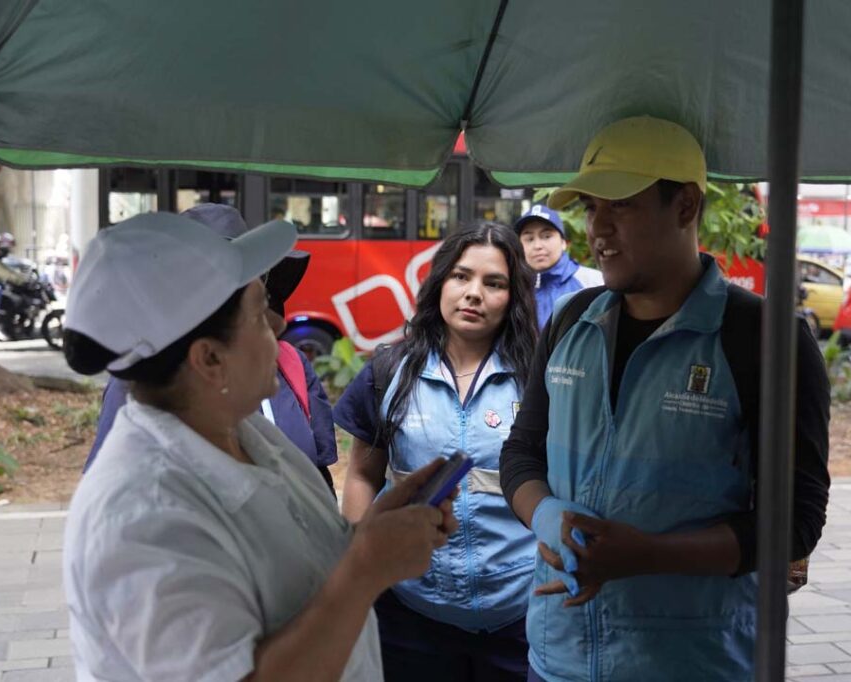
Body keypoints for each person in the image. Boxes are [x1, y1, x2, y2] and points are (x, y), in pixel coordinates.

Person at [499, 116, 831, 681]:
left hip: (692, 664)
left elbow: (792, 523)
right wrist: (547, 514)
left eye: (619, 205)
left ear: (684, 206)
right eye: (589, 207)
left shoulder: (765, 338)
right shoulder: (572, 321)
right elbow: (522, 452)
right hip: (558, 660)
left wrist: (647, 556)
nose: (597, 230)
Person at [61, 211, 458, 681]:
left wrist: (373, 534)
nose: (277, 320)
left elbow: (300, 567)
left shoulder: (244, 430)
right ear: (210, 358)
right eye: (258, 309)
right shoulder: (142, 517)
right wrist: (366, 570)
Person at [334, 222, 539, 681]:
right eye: (461, 276)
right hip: (411, 616)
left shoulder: (539, 377)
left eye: (494, 283)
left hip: (520, 616)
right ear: (440, 281)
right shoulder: (391, 370)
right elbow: (364, 475)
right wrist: (360, 561)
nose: (473, 294)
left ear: (514, 297)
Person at [84, 204, 339, 493]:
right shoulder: (140, 384)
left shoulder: (289, 365)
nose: (278, 325)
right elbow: (115, 494)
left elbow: (318, 480)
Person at [514, 204, 602, 329]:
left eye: (546, 236)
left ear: (563, 243)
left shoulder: (593, 282)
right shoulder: (512, 287)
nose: (538, 245)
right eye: (529, 239)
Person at [0, 232, 29, 332]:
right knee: (16, 301)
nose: (4, 248)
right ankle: (5, 328)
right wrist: (21, 281)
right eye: (0, 245)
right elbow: (7, 275)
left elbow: (10, 272)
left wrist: (23, 278)